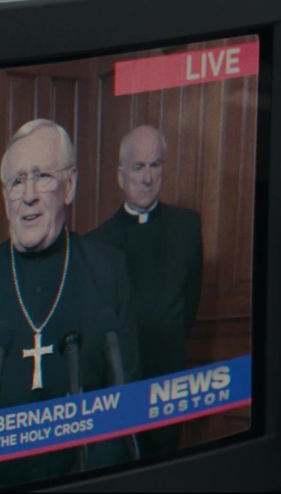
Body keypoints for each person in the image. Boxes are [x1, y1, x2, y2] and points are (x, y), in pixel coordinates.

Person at [0, 119, 141, 491]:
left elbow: (126, 393)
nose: (28, 195)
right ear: (5, 197)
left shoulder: (107, 272)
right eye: (16, 182)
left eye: (42, 176)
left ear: (70, 185)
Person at [87, 124, 203, 457]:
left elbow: (189, 305)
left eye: (155, 165)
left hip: (170, 378)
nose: (148, 178)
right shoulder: (97, 243)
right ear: (121, 176)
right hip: (120, 387)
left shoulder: (187, 227)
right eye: (138, 167)